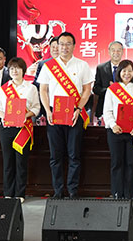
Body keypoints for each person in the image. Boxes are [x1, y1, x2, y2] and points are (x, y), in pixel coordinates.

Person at [38, 31, 94, 199]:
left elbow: (87, 90)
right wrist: (47, 111)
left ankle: (72, 191)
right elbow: (43, 90)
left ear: (74, 46)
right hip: (54, 114)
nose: (64, 47)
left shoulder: (82, 65)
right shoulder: (49, 66)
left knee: (74, 155)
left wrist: (78, 108)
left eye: (68, 44)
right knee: (56, 156)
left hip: (74, 114)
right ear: (57, 46)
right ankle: (58, 191)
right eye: (61, 44)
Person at [0, 57, 40, 202]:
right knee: (8, 162)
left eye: (17, 68)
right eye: (12, 68)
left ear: (23, 70)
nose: (14, 71)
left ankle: (20, 193)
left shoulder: (31, 88)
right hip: (7, 129)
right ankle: (8, 192)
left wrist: (25, 115)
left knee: (21, 162)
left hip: (23, 129)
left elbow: (36, 108)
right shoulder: (4, 88)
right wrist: (5, 117)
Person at [103, 60, 133, 199]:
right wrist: (113, 125)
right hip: (115, 132)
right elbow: (107, 111)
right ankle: (117, 193)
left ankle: (128, 194)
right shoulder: (112, 89)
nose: (127, 74)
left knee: (131, 163)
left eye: (130, 71)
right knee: (117, 163)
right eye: (124, 71)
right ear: (119, 72)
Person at [93, 41, 124, 121]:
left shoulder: (127, 68)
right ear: (109, 52)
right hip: (104, 107)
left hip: (123, 108)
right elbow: (96, 89)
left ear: (122, 52)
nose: (116, 53)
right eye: (113, 50)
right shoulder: (101, 68)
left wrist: (119, 89)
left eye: (119, 50)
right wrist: (110, 90)